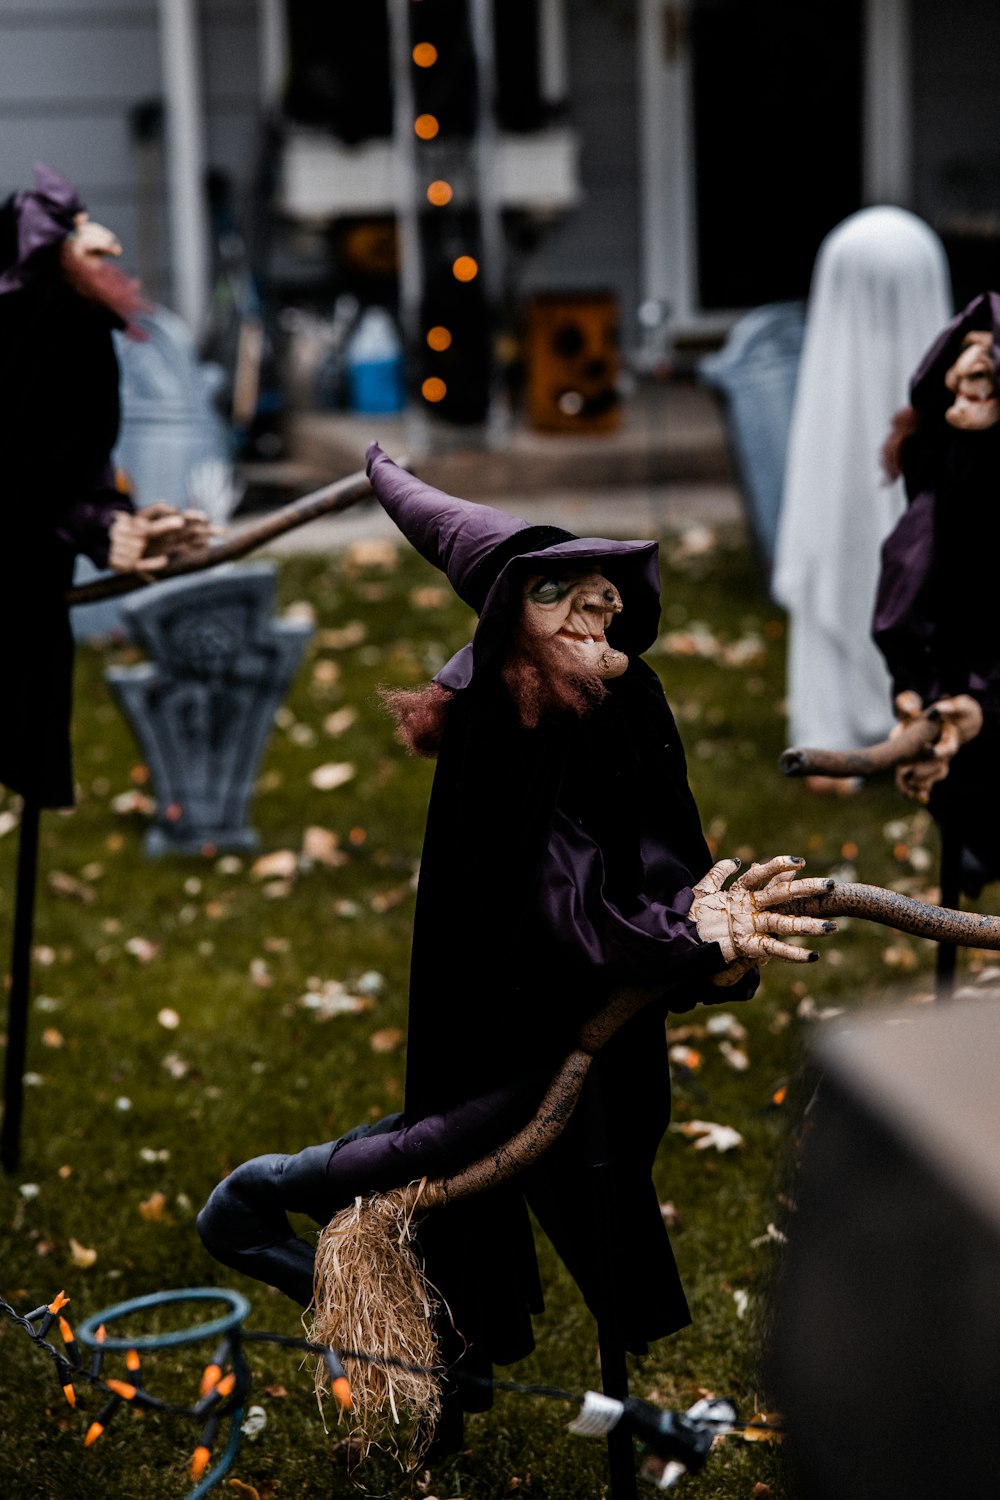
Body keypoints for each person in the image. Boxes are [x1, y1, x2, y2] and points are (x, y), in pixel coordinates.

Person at [198, 446, 836, 1453]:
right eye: (556, 590)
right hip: (508, 1033)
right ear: (506, 623)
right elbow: (558, 911)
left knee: (582, 1163)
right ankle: (304, 1246)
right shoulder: (504, 730)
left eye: (602, 585)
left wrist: (708, 935)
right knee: (403, 1168)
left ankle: (431, 1340)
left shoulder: (628, 704)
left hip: (586, 1028)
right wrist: (680, 937)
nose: (597, 602)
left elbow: (662, 859)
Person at [0, 163, 211, 808]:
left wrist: (110, 520)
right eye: (76, 226)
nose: (106, 244)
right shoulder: (53, 330)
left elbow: (67, 464)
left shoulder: (77, 331)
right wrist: (92, 522)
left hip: (30, 583)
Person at [772, 206, 952, 792]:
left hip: (848, 434)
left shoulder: (832, 380)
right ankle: (911, 716)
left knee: (841, 535)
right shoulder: (941, 392)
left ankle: (838, 724)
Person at [873, 290, 1000, 896]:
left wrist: (989, 701)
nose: (972, 372)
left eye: (988, 358)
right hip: (960, 680)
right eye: (964, 355)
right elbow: (909, 577)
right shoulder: (947, 464)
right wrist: (912, 688)